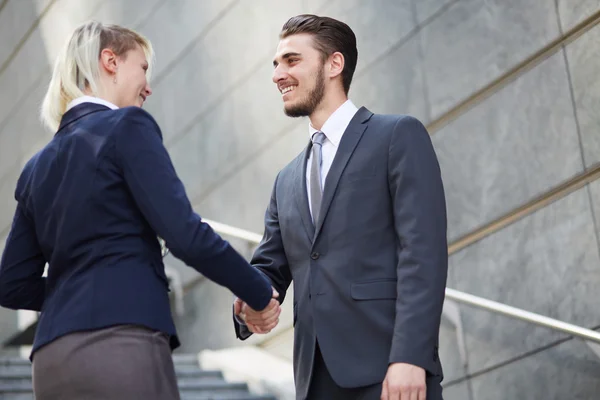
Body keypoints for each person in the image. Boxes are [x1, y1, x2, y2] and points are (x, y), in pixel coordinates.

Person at [0, 21, 277, 400]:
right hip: (120, 347)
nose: (148, 85)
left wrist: (75, 288)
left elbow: (11, 283)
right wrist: (260, 293)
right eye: (142, 68)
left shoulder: (36, 167)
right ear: (110, 61)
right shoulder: (127, 126)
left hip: (51, 362)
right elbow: (185, 234)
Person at [233, 14, 448, 400]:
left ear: (334, 64)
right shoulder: (285, 180)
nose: (277, 74)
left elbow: (423, 253)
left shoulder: (396, 136)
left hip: (388, 371)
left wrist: (410, 357)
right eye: (276, 64)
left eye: (291, 61)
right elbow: (269, 268)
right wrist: (249, 303)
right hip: (315, 381)